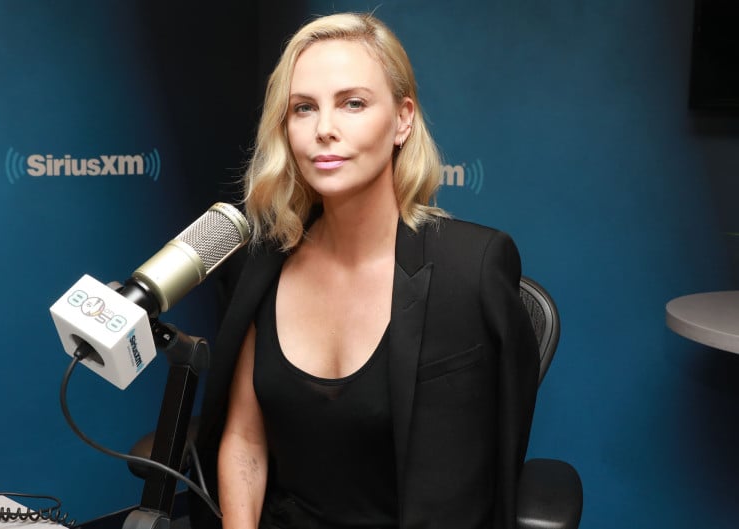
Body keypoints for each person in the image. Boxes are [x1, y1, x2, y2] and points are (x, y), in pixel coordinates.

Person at [191, 12, 540, 529]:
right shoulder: (260, 264)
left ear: (402, 120)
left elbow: (474, 484)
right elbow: (245, 440)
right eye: (303, 108)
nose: (324, 129)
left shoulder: (472, 268)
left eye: (353, 103)